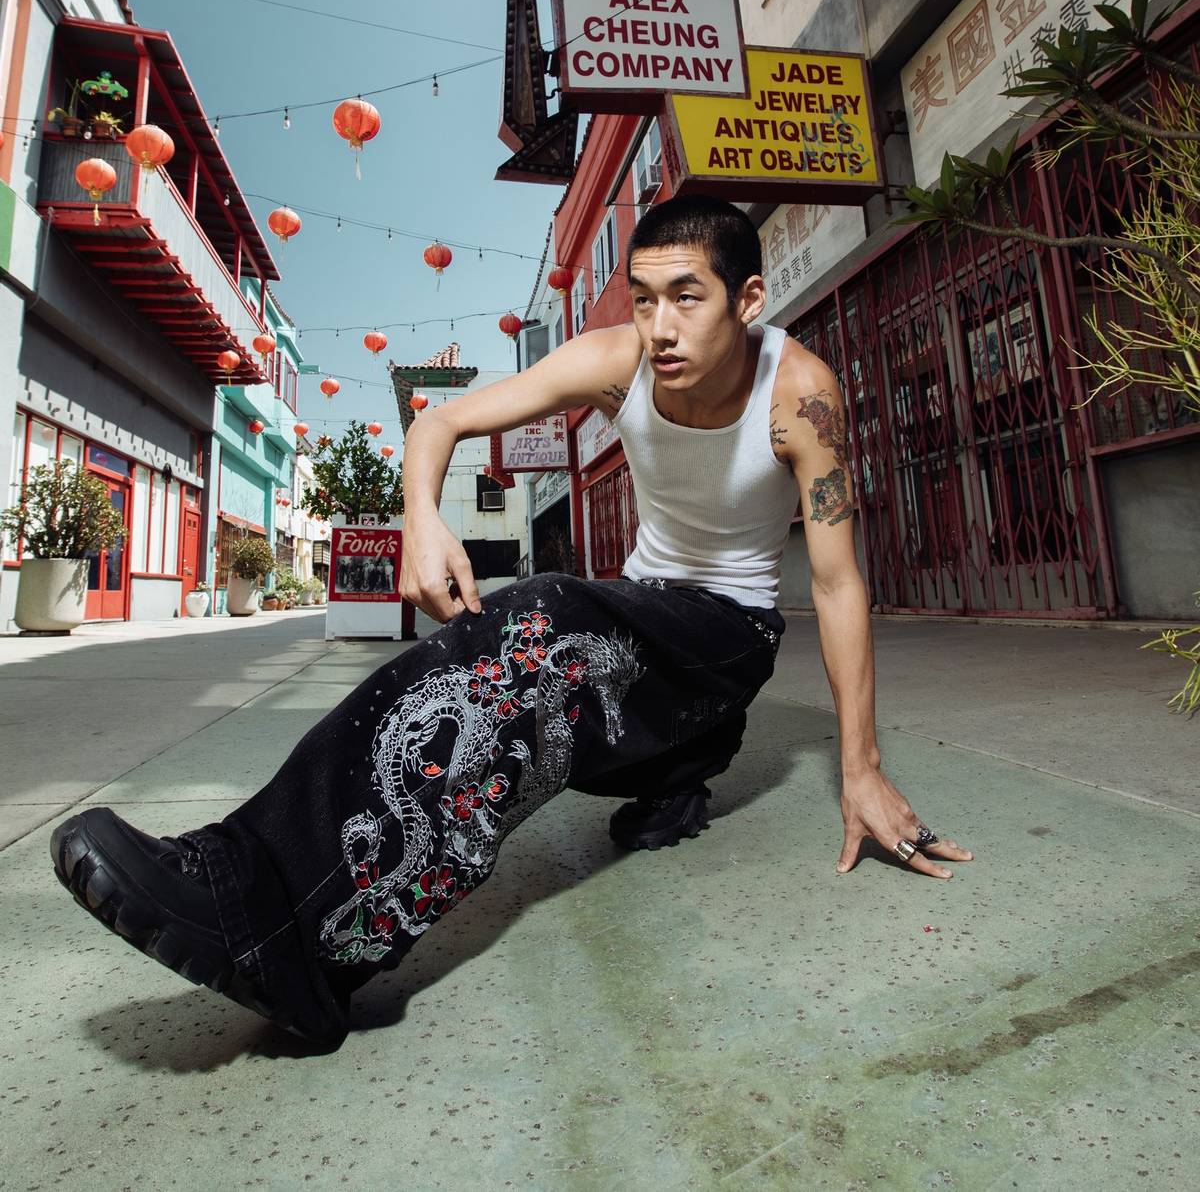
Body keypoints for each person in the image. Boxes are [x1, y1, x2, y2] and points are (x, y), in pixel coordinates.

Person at [51, 193, 972, 1049]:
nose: (660, 327)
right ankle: (283, 911)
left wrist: (861, 768)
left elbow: (837, 585)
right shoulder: (617, 360)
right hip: (648, 653)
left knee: (544, 618)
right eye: (644, 298)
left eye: (688, 298)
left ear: (750, 299)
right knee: (513, 667)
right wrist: (421, 519)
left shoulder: (800, 395)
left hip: (725, 641)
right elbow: (438, 424)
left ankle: (265, 912)